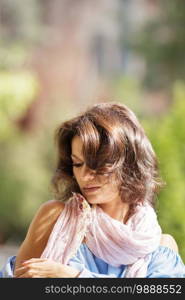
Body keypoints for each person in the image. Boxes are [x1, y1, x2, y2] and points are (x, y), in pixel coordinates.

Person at [1, 102, 184, 278]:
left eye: (98, 164)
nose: (85, 176)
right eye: (78, 164)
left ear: (128, 163)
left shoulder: (159, 246)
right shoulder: (55, 218)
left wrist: (73, 277)